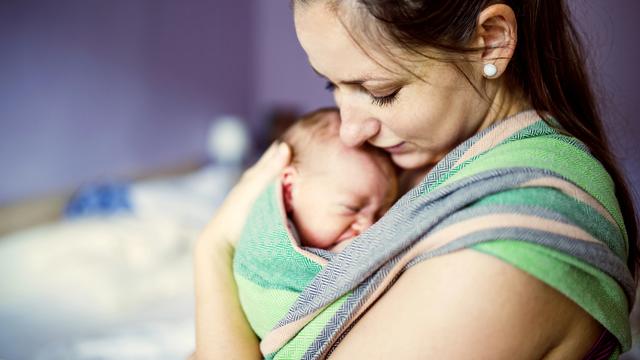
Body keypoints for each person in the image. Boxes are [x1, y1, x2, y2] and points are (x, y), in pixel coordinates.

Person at [193, 1, 638, 359]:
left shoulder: (507, 250)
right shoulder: (415, 166)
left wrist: (213, 251)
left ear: (491, 42)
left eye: (380, 91)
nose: (350, 130)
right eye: (332, 87)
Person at [232, 107, 398, 342]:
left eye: (381, 214)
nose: (369, 227)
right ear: (289, 189)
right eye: (351, 208)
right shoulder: (265, 248)